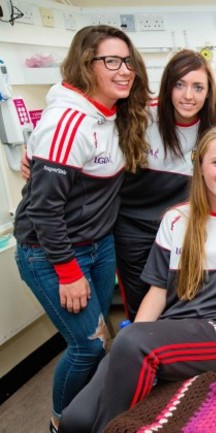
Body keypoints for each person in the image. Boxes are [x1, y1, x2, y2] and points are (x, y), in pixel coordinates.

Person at [58, 127, 216, 433]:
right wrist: (140, 331)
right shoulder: (175, 219)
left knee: (131, 342)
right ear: (201, 166)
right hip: (176, 322)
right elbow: (157, 291)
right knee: (73, 420)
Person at [12, 25, 149, 433]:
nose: (124, 70)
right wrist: (68, 272)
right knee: (87, 346)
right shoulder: (66, 122)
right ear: (85, 65)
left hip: (99, 243)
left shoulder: (114, 111)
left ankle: (90, 417)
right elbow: (44, 208)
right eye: (111, 61)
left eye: (127, 61)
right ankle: (62, 423)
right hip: (52, 251)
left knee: (101, 339)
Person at [115, 48, 216, 320]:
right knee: (141, 305)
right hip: (133, 230)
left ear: (208, 92)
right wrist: (33, 153)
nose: (189, 95)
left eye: (198, 87)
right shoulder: (142, 117)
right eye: (180, 85)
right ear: (167, 87)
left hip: (182, 230)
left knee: (180, 303)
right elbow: (91, 135)